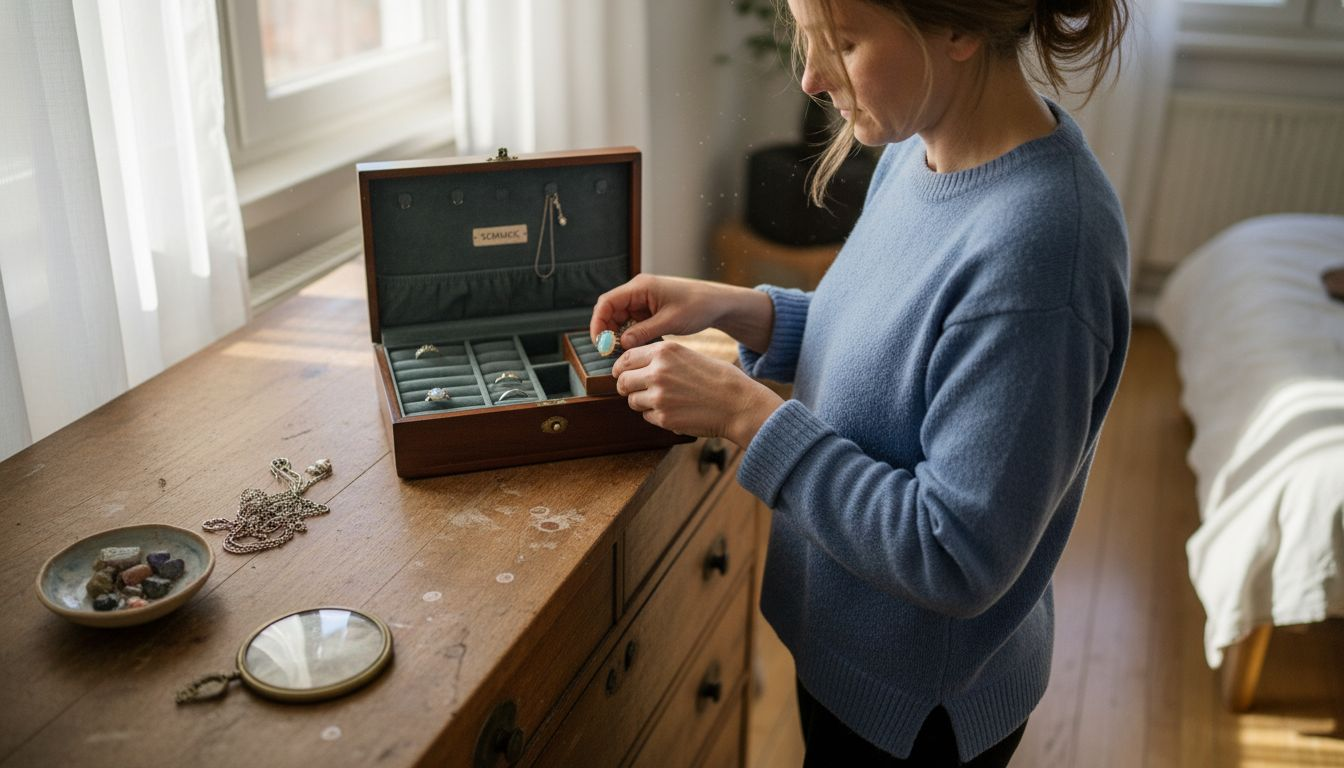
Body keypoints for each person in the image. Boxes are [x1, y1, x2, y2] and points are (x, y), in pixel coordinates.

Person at [589, 0, 1131, 764]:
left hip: (919, 705)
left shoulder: (1042, 252)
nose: (810, 76)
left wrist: (750, 418)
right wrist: (737, 308)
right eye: (805, 37)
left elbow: (954, 553)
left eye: (840, 43)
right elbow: (886, 345)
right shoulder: (922, 148)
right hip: (854, 647)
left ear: (960, 28)